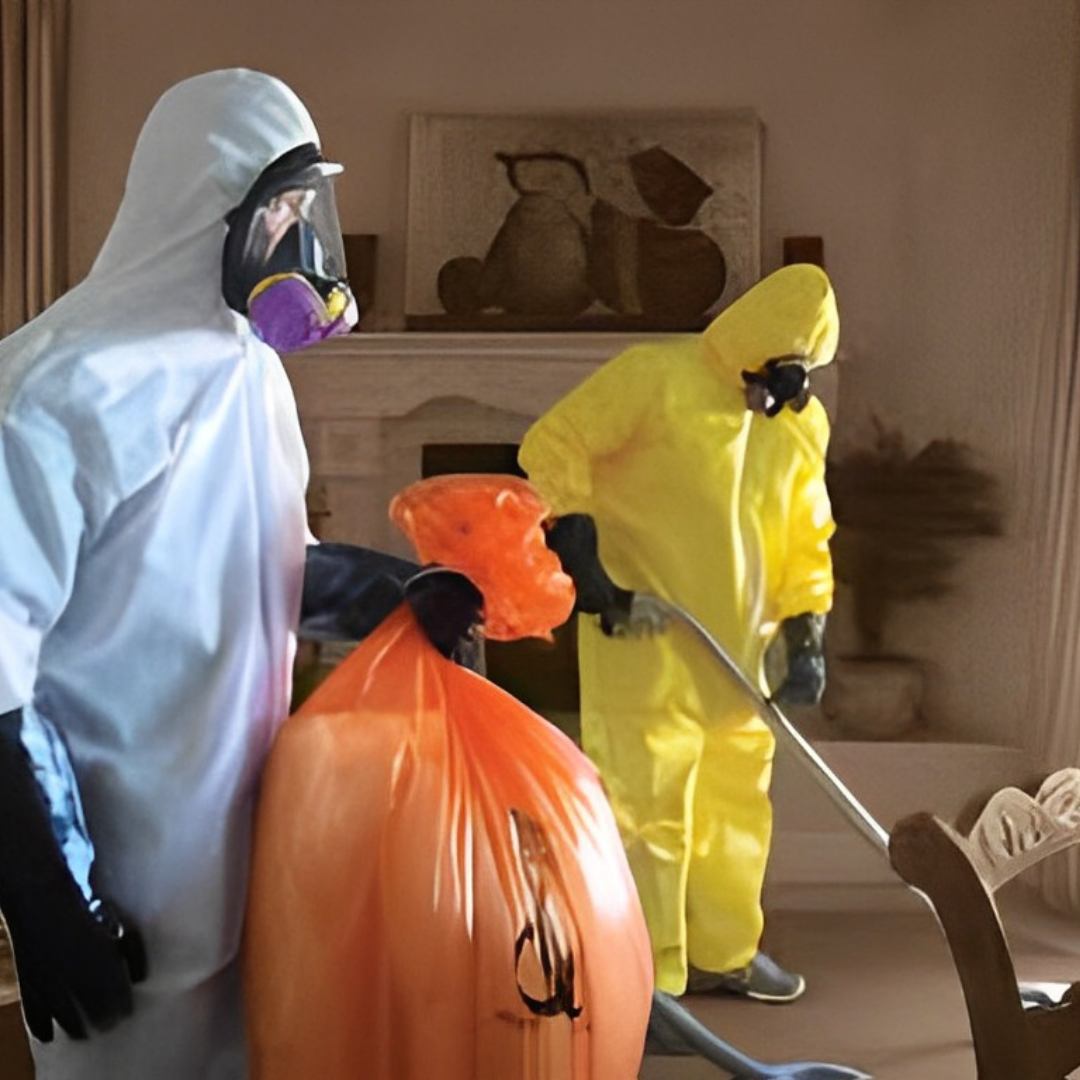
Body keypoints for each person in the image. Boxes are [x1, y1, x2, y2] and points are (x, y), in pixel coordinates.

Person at [0, 69, 475, 1079]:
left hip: (256, 842)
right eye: (281, 212)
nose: (300, 241)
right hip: (122, 867)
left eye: (308, 211)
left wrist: (392, 595)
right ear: (206, 211)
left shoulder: (249, 370)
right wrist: (50, 888)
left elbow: (263, 567)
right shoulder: (54, 389)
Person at [520, 263, 839, 1004]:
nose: (769, 396)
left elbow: (805, 530)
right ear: (744, 350)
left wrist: (808, 629)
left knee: (736, 807)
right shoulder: (653, 378)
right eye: (763, 378)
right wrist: (588, 569)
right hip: (647, 635)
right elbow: (552, 444)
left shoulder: (796, 420)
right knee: (647, 806)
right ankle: (650, 978)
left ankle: (725, 953)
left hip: (744, 650)